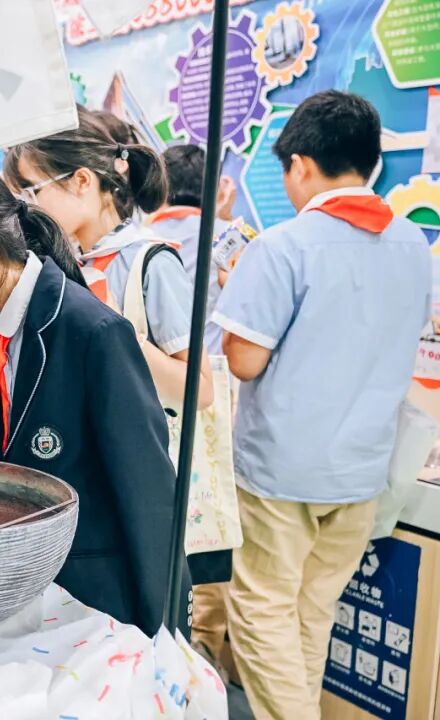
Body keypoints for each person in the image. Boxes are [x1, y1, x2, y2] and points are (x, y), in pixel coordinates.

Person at [0, 162, 189, 637]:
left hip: (91, 600)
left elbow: (149, 496)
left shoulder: (93, 331)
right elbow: (14, 444)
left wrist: (167, 632)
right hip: (19, 583)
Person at [212, 91, 430, 720]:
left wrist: (239, 295)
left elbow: (245, 360)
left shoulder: (284, 246)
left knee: (262, 615)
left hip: (282, 474)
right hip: (361, 472)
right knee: (311, 614)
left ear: (300, 164)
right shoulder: (413, 244)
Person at [4, 111, 213, 410]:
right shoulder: (69, 264)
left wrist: (122, 333)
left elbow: (201, 392)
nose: (27, 207)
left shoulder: (151, 262)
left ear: (81, 181)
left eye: (32, 191)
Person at [148, 144, 235, 355]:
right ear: (214, 186)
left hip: (159, 363)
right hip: (215, 361)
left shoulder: (142, 237)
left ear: (160, 184)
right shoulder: (229, 237)